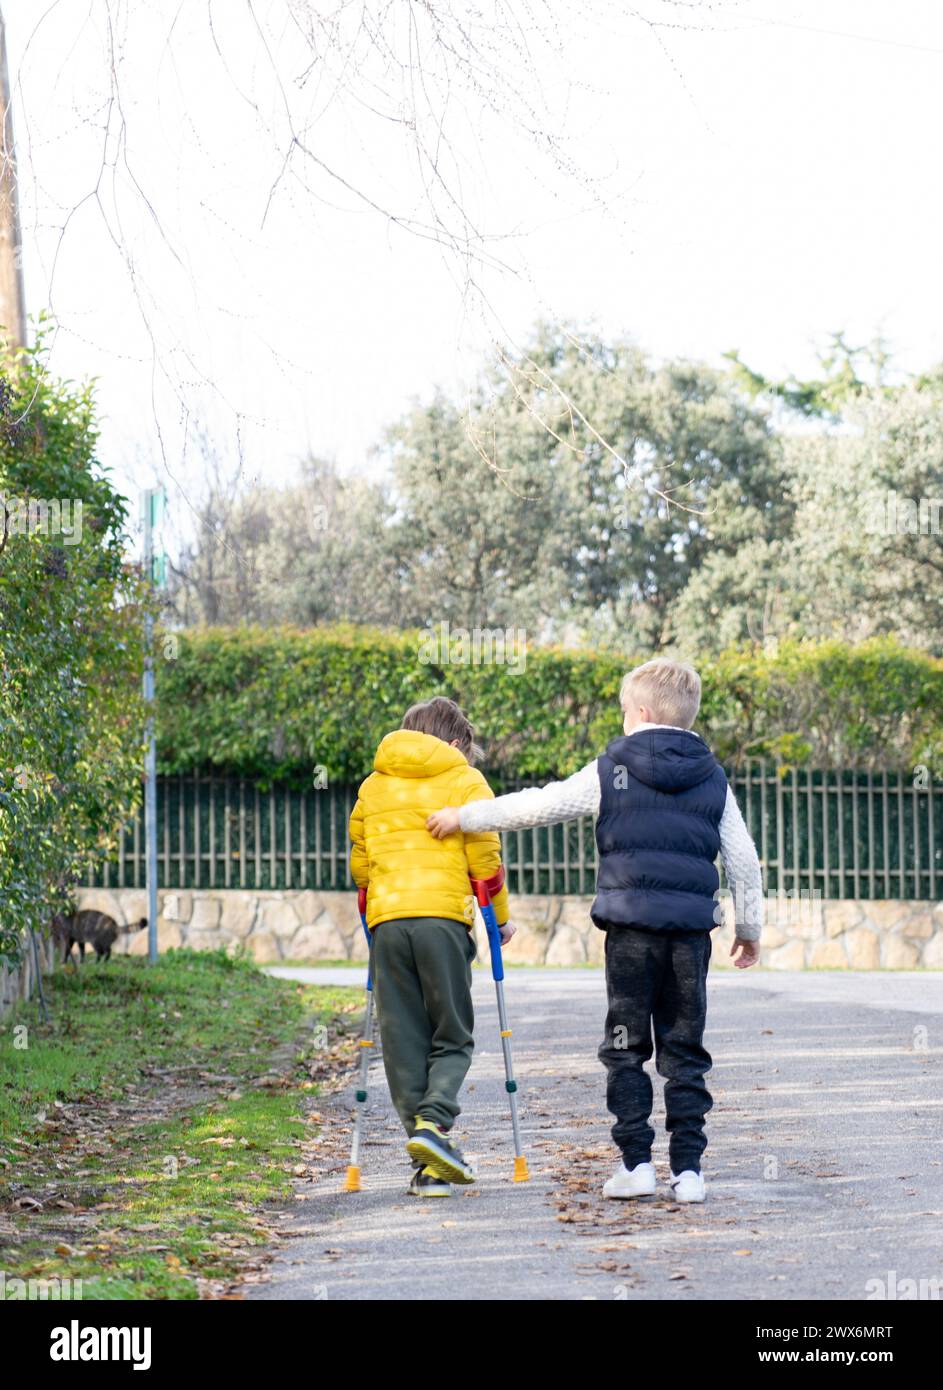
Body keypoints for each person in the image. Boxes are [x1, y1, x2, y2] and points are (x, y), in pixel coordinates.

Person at [427, 659, 763, 1204]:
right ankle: (690, 1173)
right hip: (689, 936)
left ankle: (636, 1166)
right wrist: (748, 928)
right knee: (684, 1049)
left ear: (642, 712)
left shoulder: (612, 767)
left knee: (625, 1047)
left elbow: (542, 804)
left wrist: (465, 817)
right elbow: (744, 863)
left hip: (630, 930)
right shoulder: (713, 776)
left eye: (626, 712)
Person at [349, 696, 514, 1198]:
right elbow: (485, 863)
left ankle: (429, 1164)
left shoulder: (372, 785)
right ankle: (434, 1125)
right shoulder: (465, 780)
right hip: (442, 922)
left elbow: (361, 865)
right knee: (452, 1033)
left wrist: (376, 913)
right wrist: (500, 924)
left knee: (403, 1043)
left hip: (389, 922)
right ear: (457, 742)